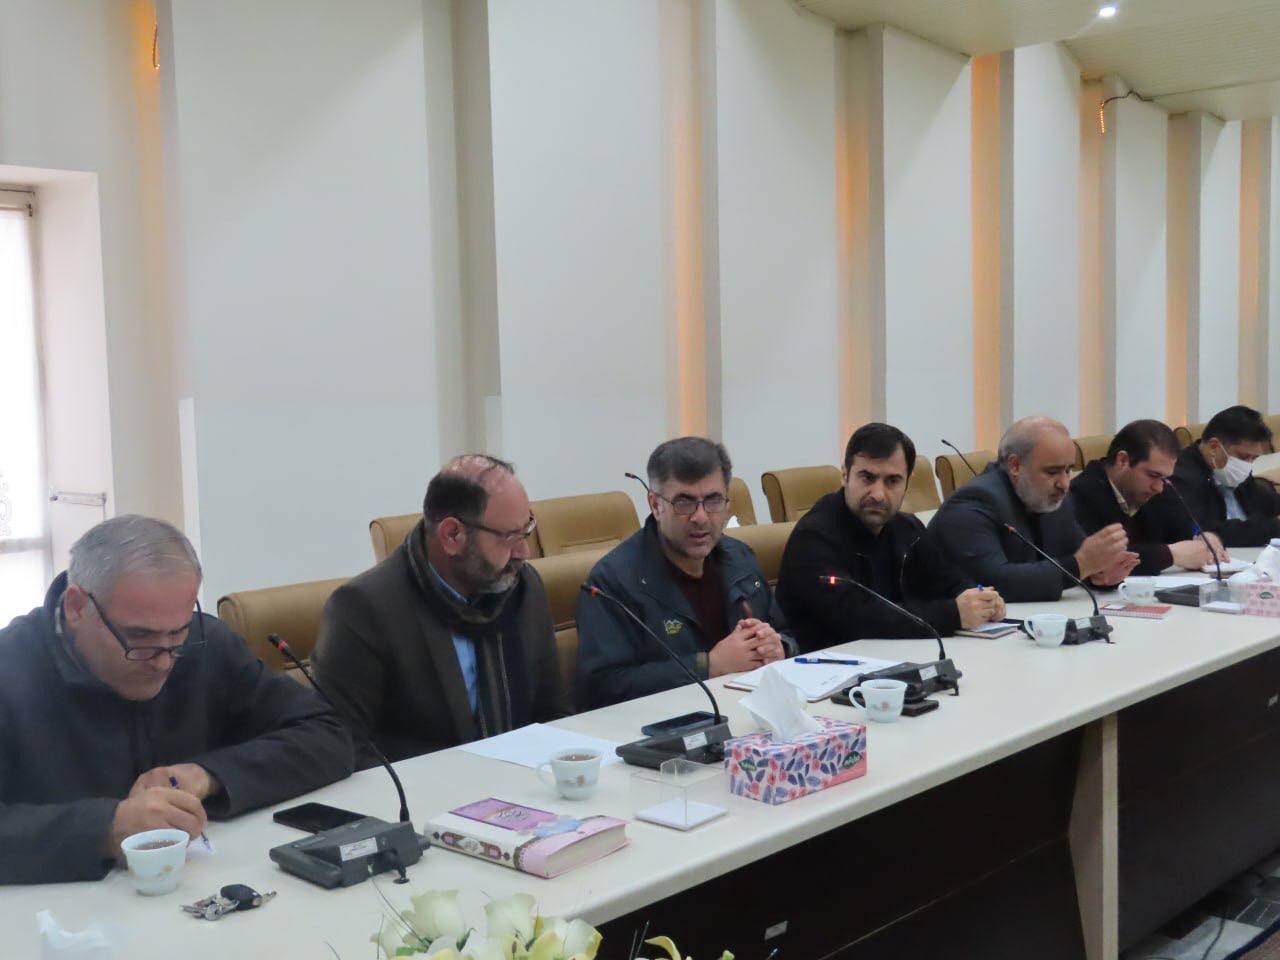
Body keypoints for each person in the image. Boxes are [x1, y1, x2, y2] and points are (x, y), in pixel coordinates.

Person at [0, 515, 354, 885]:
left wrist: (208, 775)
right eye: (139, 636)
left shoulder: (206, 644)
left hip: (205, 885)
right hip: (58, 908)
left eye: (178, 633)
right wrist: (105, 828)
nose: (164, 661)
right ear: (76, 607)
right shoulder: (11, 670)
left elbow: (329, 735)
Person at [313, 455, 570, 767]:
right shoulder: (364, 609)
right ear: (452, 535)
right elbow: (346, 747)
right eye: (510, 537)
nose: (523, 552)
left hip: (525, 780)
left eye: (526, 531)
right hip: (424, 787)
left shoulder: (523, 588)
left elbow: (552, 711)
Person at [575, 437, 789, 709]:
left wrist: (779, 647)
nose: (701, 517)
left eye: (713, 501)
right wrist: (708, 666)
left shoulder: (741, 558)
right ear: (656, 505)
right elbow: (603, 687)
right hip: (664, 723)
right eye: (684, 503)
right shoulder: (612, 582)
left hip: (749, 711)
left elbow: (786, 631)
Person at [776, 423, 1005, 651]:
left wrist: (981, 599)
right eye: (867, 478)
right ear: (845, 475)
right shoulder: (814, 536)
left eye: (892, 481)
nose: (878, 494)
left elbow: (948, 579)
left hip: (896, 655)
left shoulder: (908, 528)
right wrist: (953, 614)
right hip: (830, 663)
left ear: (907, 483)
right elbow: (857, 617)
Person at [931, 417, 1139, 601]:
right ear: (1015, 465)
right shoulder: (974, 502)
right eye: (1052, 472)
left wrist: (1100, 573)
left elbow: (1076, 558)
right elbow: (993, 581)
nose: (1064, 483)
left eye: (1068, 470)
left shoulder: (1053, 497)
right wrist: (1081, 566)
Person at [1069, 419, 1227, 575]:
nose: (1159, 488)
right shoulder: (1081, 494)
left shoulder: (1155, 488)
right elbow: (1095, 562)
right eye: (1153, 475)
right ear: (1123, 460)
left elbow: (1184, 527)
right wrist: (1170, 554)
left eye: (1164, 478)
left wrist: (1203, 536)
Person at [1144, 405, 1280, 547]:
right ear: (1214, 447)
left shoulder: (1239, 471)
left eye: (1254, 458)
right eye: (1244, 457)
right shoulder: (1179, 477)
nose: (1248, 465)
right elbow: (1202, 532)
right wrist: (1273, 527)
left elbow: (1259, 513)